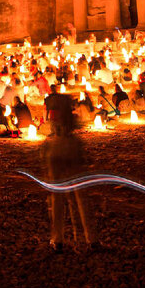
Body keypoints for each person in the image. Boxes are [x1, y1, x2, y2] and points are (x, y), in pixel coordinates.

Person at [42, 88, 94, 251]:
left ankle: (58, 239)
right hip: (72, 148)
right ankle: (91, 238)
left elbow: (49, 129)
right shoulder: (69, 116)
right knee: (81, 197)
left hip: (56, 150)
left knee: (57, 198)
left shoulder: (53, 113)